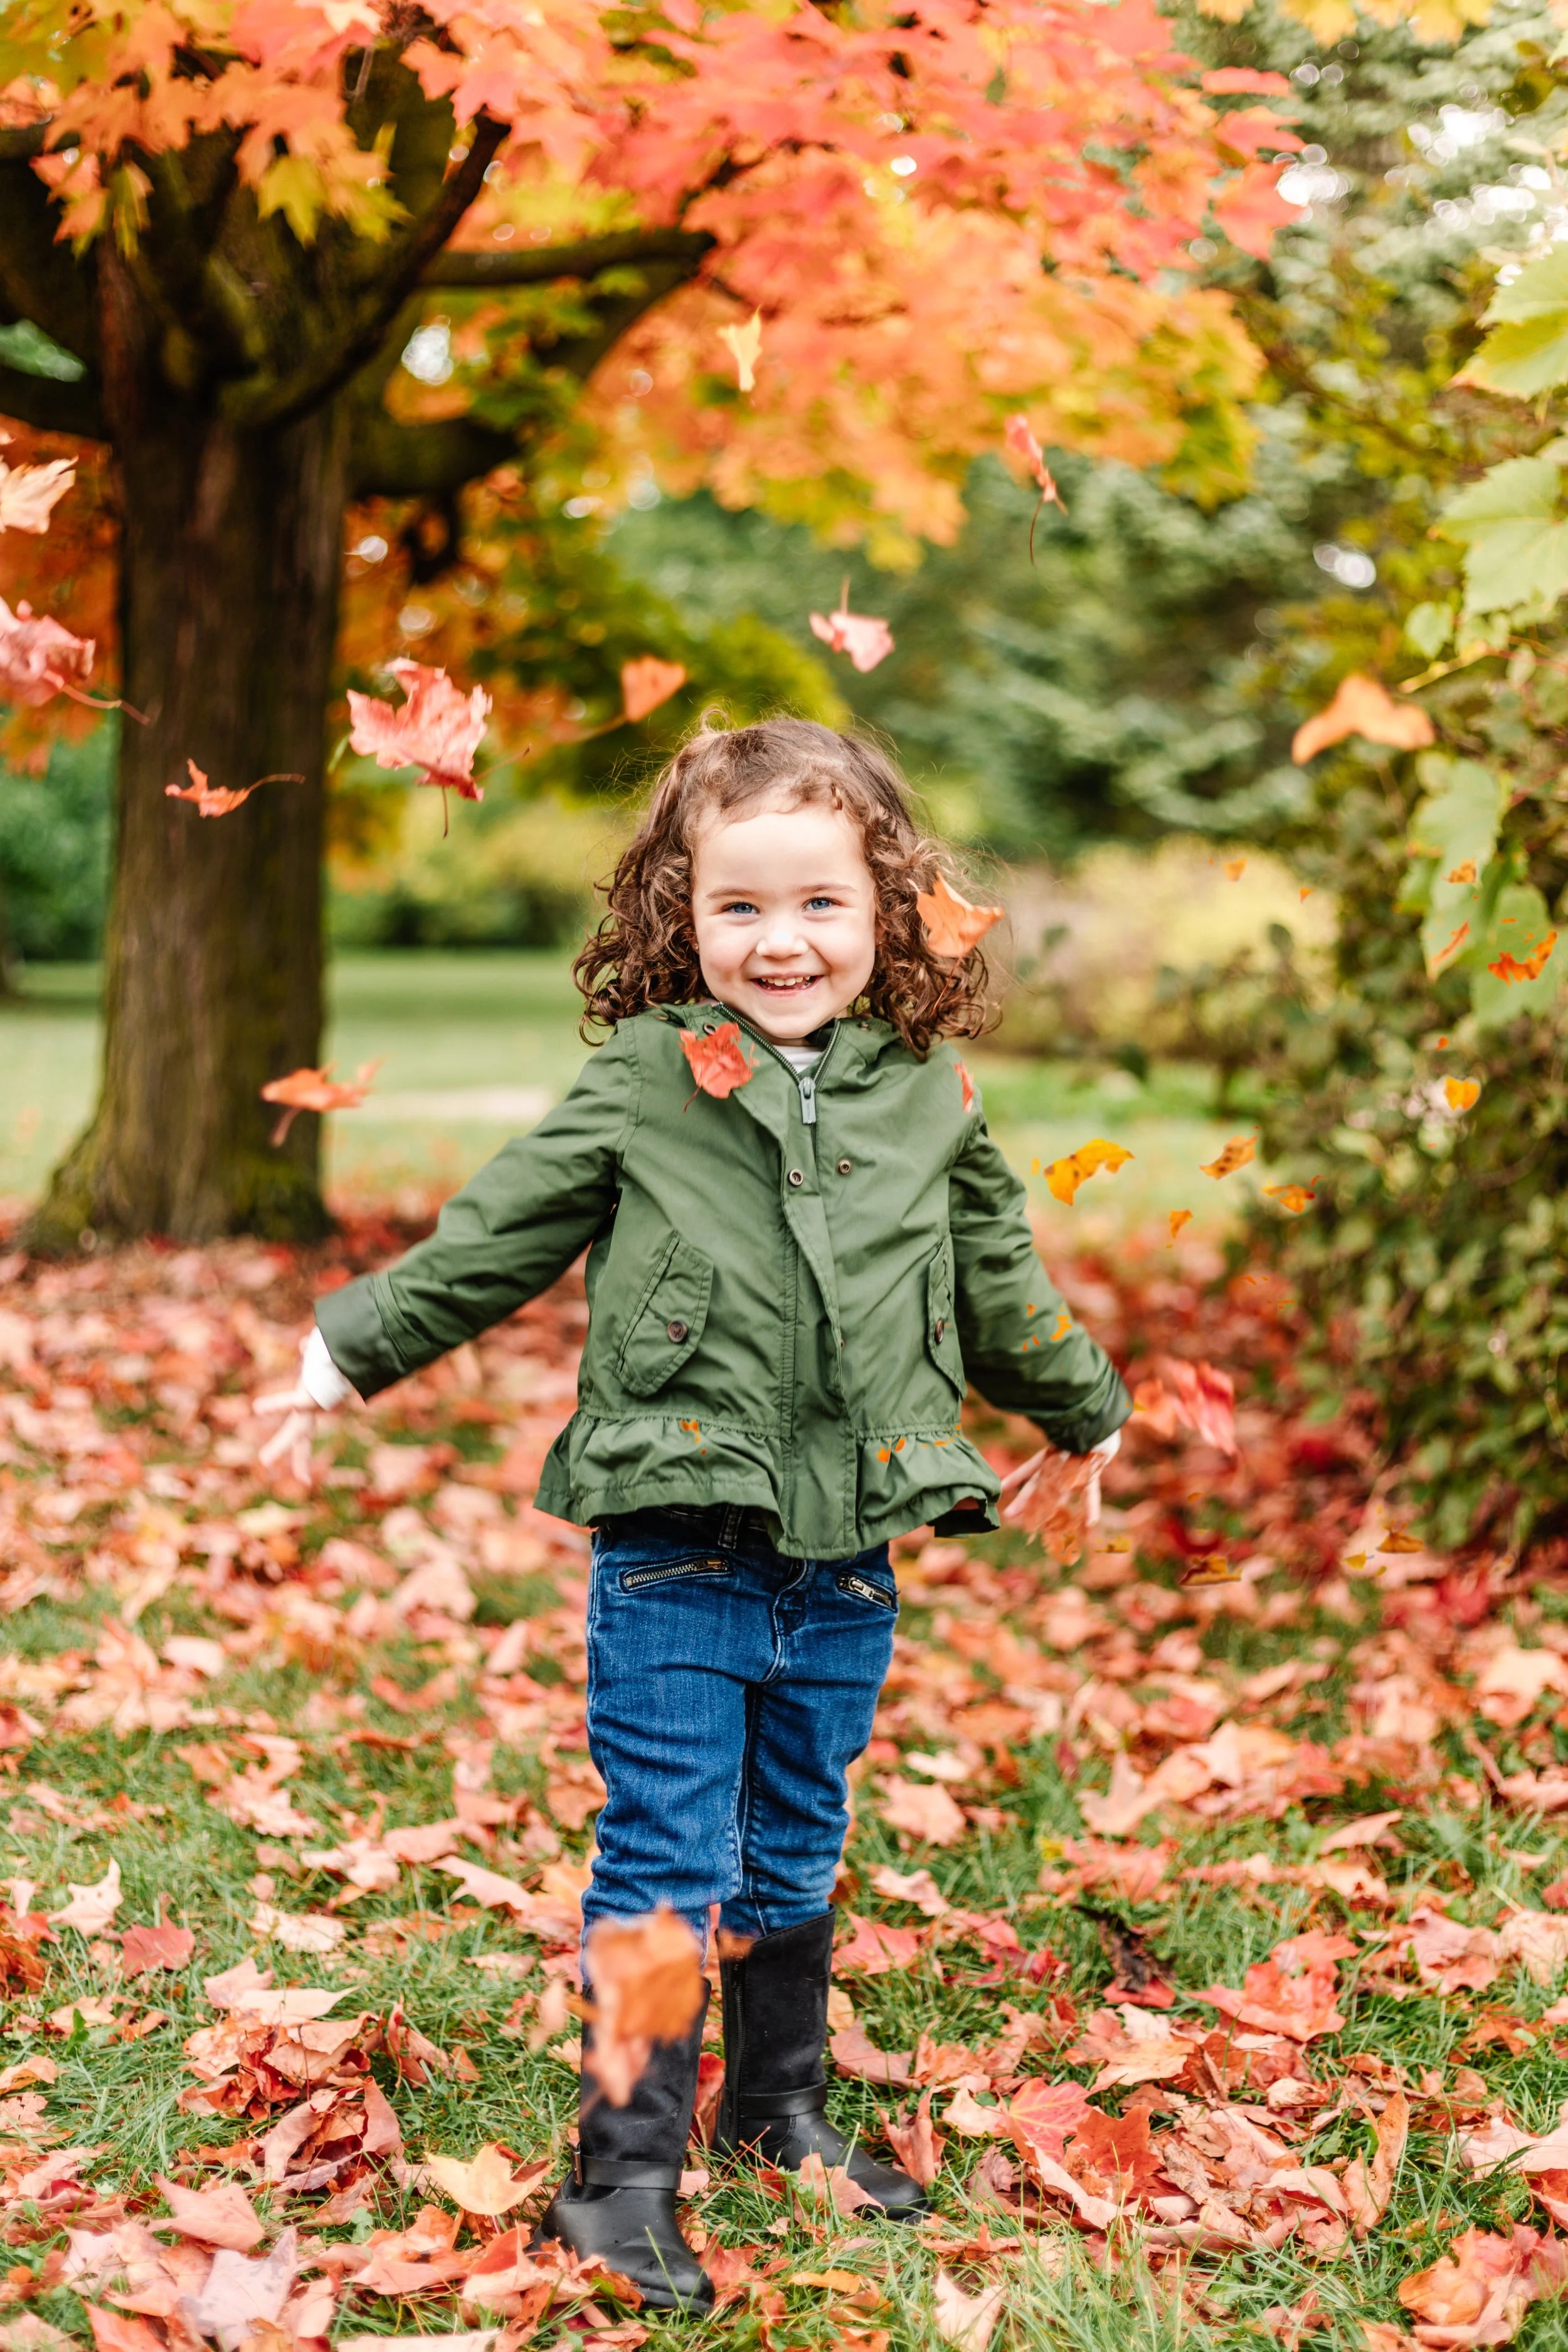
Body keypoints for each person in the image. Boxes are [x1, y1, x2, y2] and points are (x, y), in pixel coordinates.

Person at [257, 718, 1128, 2310]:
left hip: (845, 1553)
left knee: (794, 1838)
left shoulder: (926, 1095)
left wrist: (1082, 1408)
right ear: (680, 911)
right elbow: (501, 1229)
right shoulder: (648, 1080)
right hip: (674, 1540)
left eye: (817, 904)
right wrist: (345, 1350)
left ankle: (779, 2108)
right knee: (664, 1848)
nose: (779, 940)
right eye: (737, 907)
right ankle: (623, 2178)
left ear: (888, 911)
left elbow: (998, 1283)